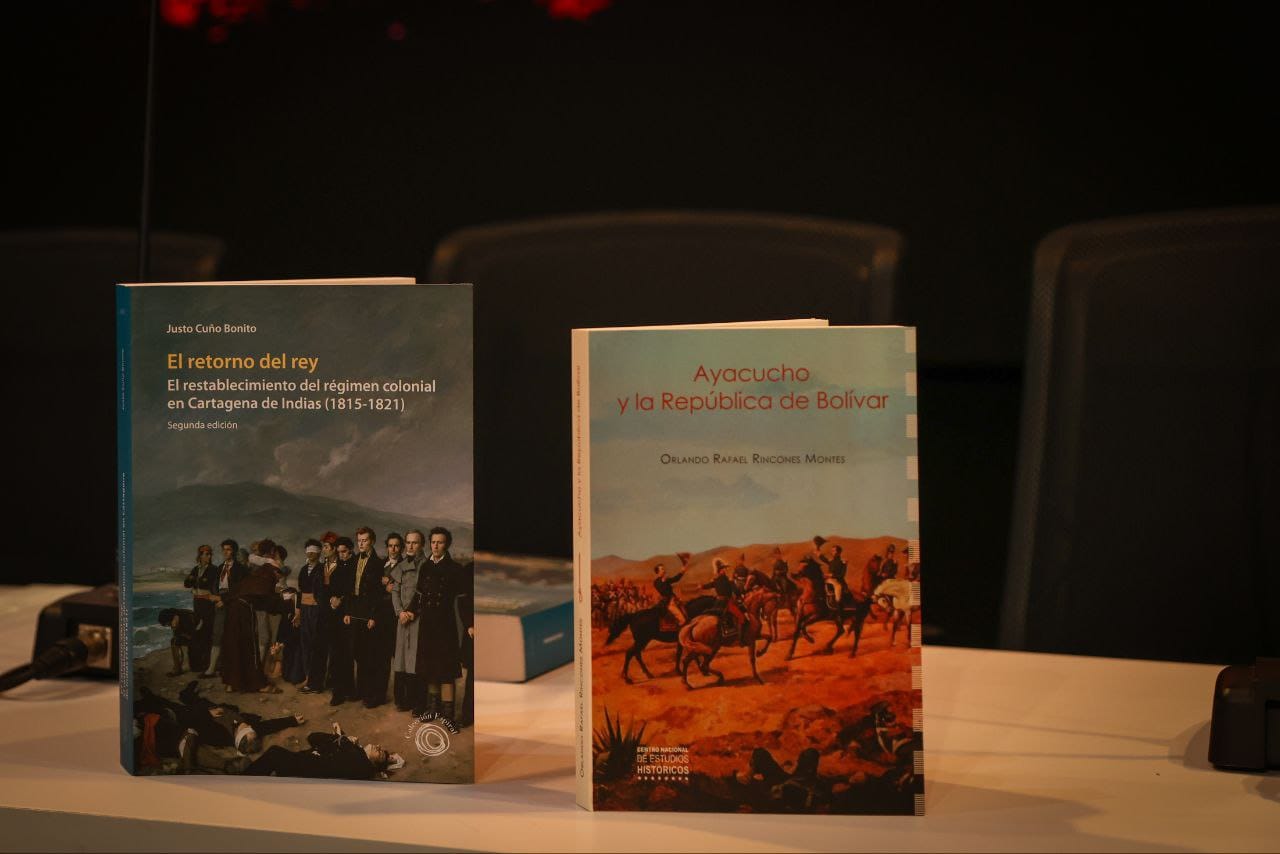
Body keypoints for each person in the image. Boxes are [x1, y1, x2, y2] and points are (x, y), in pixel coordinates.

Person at [410, 527, 464, 720]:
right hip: (427, 624)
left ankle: (448, 715)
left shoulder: (455, 569)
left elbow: (462, 600)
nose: (435, 546)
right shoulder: (425, 566)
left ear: (446, 544)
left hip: (445, 626)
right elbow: (419, 595)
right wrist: (410, 610)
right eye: (433, 542)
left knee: (446, 670)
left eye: (440, 542)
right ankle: (433, 710)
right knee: (430, 668)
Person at [244, 723, 403, 780]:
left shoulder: (362, 766)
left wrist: (343, 739)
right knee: (275, 756)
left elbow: (343, 762)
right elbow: (312, 737)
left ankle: (242, 780)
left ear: (374, 763)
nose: (378, 747)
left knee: (274, 753)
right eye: (381, 748)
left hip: (305, 771)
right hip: (305, 761)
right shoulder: (354, 751)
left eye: (380, 753)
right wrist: (339, 738)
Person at [200, 539, 247, 679]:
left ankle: (233, 670)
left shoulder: (240, 569)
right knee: (217, 634)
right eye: (223, 549)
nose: (225, 552)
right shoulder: (220, 567)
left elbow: (239, 590)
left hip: (234, 605)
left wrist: (224, 600)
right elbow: (216, 586)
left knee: (234, 636)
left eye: (228, 549)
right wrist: (215, 597)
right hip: (220, 604)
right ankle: (211, 669)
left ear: (234, 551)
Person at [390, 530, 425, 712]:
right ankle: (401, 700)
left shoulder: (426, 566)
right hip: (402, 618)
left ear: (422, 545)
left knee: (415, 658)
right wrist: (400, 612)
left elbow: (425, 594)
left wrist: (412, 613)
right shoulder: (401, 565)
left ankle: (417, 702)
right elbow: (395, 591)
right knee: (401, 659)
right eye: (408, 542)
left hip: (419, 619)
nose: (411, 546)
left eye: (415, 543)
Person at [295, 539, 324, 691]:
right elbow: (300, 592)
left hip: (317, 610)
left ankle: (315, 681)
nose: (310, 553)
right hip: (305, 609)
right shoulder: (303, 570)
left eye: (313, 550)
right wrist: (298, 611)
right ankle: (307, 677)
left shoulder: (322, 568)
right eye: (308, 550)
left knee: (315, 644)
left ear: (319, 552)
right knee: (305, 643)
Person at [183, 545, 216, 673]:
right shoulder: (196, 569)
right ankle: (199, 664)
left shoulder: (213, 569)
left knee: (207, 632)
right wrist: (192, 580)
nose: (207, 556)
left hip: (208, 604)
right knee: (198, 631)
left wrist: (196, 581)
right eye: (205, 554)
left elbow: (208, 584)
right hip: (197, 603)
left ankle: (207, 664)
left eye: (209, 554)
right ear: (200, 555)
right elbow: (186, 584)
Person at [701, 559, 746, 643]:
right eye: (723, 569)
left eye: (724, 569)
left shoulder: (716, 580)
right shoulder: (728, 580)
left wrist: (701, 586)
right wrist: (740, 596)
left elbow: (707, 586)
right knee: (741, 617)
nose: (725, 570)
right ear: (720, 570)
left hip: (718, 603)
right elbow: (736, 591)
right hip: (727, 602)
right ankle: (741, 639)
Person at [158, 607, 198, 677]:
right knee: (174, 641)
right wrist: (177, 630)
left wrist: (179, 631)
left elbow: (192, 636)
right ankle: (178, 669)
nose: (170, 626)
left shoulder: (185, 618)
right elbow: (178, 637)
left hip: (199, 638)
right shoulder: (176, 617)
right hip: (193, 638)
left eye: (168, 624)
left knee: (195, 668)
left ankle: (178, 669)